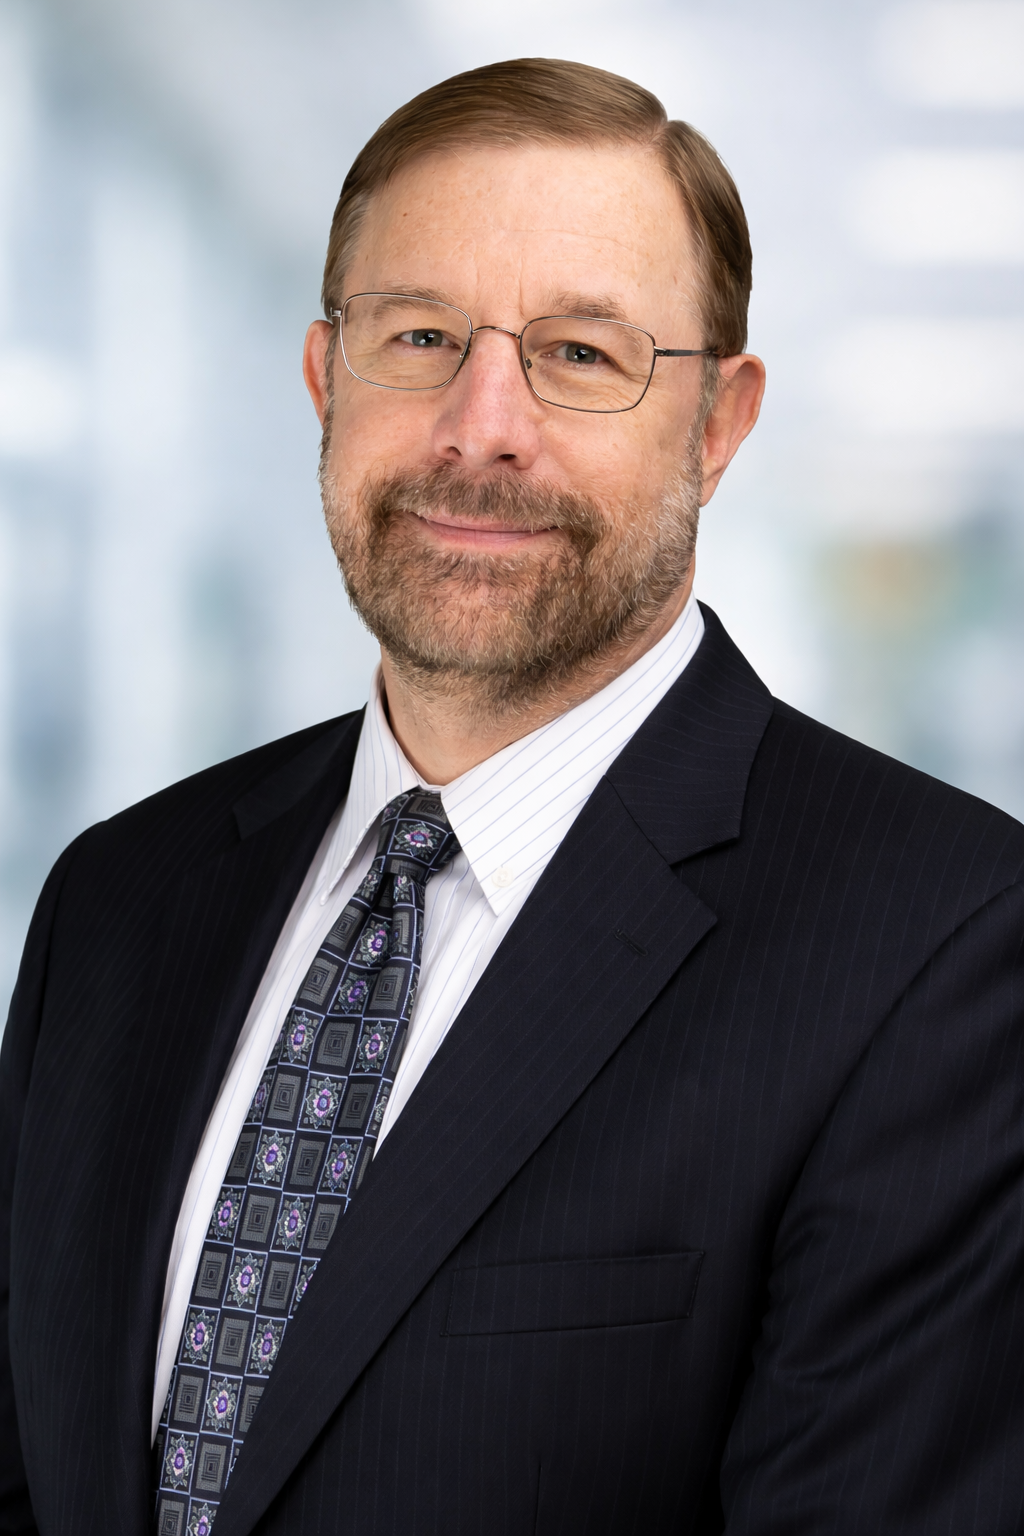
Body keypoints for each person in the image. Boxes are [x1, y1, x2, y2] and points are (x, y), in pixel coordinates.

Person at [1, 56, 1021, 1536]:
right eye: (419, 336)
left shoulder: (942, 946)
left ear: (719, 426)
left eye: (582, 355)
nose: (482, 427)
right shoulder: (118, 896)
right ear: (323, 376)